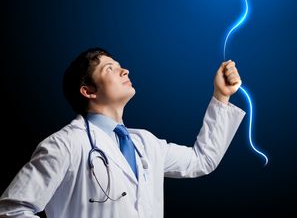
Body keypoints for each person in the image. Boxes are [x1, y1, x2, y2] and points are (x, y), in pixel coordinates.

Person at [0, 47, 245, 218]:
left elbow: (203, 160)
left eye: (120, 67)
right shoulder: (65, 145)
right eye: (109, 69)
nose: (124, 71)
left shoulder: (145, 144)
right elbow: (12, 210)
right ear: (88, 91)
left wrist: (221, 96)